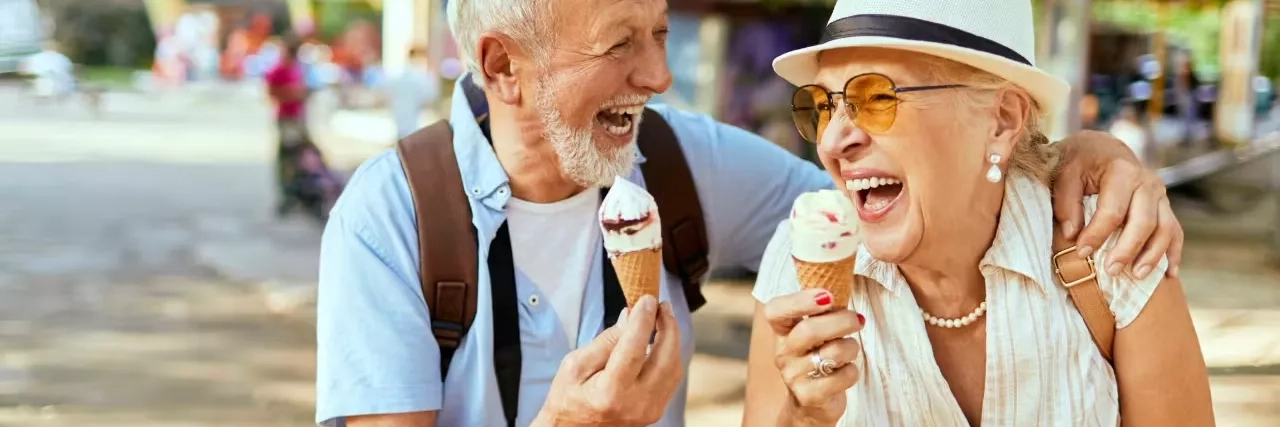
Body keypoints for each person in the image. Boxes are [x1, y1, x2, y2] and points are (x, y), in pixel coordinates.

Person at [315, 0, 1188, 426]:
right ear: (503, 66)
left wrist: (1086, 154)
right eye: (622, 43)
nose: (658, 75)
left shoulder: (686, 164)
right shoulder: (391, 224)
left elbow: (888, 195)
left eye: (659, 32)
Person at [744, 1, 1213, 426]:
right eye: (824, 105)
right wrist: (802, 418)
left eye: (878, 98)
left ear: (1003, 120)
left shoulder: (1112, 242)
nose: (830, 141)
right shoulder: (797, 257)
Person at [264, 35, 312, 216]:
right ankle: (288, 195)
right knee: (287, 159)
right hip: (286, 119)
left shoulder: (296, 69)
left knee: (301, 158)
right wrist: (293, 95)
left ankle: (302, 193)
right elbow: (271, 93)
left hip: (298, 118)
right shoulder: (278, 70)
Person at [386, 45, 441, 139]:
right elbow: (431, 95)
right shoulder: (420, 77)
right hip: (412, 126)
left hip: (405, 123)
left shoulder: (401, 75)